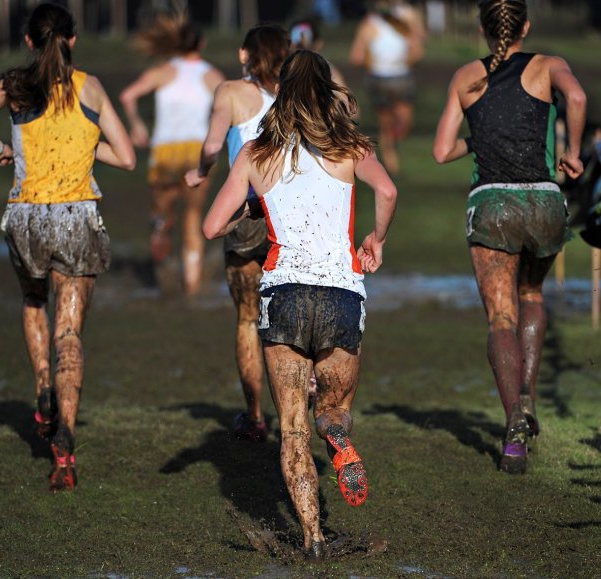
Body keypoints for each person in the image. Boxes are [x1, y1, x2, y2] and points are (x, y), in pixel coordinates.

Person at [202, 50, 397, 558]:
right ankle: (337, 437)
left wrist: (252, 204)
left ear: (280, 92)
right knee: (332, 409)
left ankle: (312, 537)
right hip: (340, 295)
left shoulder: (256, 153)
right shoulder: (350, 146)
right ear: (325, 89)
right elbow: (390, 190)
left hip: (282, 295)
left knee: (290, 426)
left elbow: (210, 227)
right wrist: (375, 238)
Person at [0, 2, 136, 491]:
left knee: (33, 300)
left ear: (28, 41)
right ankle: (66, 440)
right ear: (72, 42)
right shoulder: (90, 87)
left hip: (25, 216)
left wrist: (2, 149)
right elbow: (125, 157)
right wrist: (86, 144)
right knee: (71, 332)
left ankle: (43, 385)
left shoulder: (16, 84)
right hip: (75, 217)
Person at [432, 0, 586, 474]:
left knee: (502, 317)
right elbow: (576, 99)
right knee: (532, 292)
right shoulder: (547, 65)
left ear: (482, 29)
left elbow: (440, 151)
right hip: (543, 202)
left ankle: (514, 427)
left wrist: (478, 140)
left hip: (493, 205)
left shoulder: (464, 77)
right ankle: (529, 396)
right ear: (527, 26)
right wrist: (574, 153)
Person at [185, 24, 290, 442]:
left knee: (249, 319)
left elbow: (212, 145)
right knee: (291, 312)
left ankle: (256, 416)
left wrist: (202, 171)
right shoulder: (296, 92)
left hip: (247, 213)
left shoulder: (230, 91)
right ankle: (301, 400)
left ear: (246, 55)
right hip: (289, 212)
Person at [119, 12, 224, 295]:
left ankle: (160, 231)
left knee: (162, 210)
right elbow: (229, 109)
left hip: (164, 152)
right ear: (201, 45)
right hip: (197, 152)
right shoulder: (212, 75)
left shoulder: (162, 72)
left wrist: (137, 125)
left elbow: (127, 96)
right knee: (193, 218)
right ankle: (192, 287)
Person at [349, 0, 425, 174]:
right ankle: (392, 163)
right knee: (393, 124)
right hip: (387, 79)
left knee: (394, 124)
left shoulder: (380, 25)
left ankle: (391, 150)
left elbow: (357, 57)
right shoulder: (380, 25)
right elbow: (357, 56)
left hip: (390, 78)